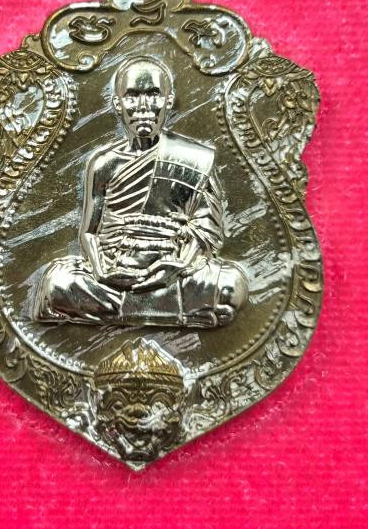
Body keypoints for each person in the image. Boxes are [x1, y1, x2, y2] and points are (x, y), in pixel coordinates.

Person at [34, 55, 248, 327]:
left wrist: (178, 266)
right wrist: (100, 271)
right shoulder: (103, 164)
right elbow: (89, 232)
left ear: (168, 101)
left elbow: (206, 228)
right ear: (118, 104)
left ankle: (127, 310)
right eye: (132, 96)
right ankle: (168, 311)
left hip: (173, 270)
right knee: (58, 284)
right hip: (115, 272)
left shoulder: (193, 159)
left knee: (231, 285)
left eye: (153, 95)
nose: (144, 106)